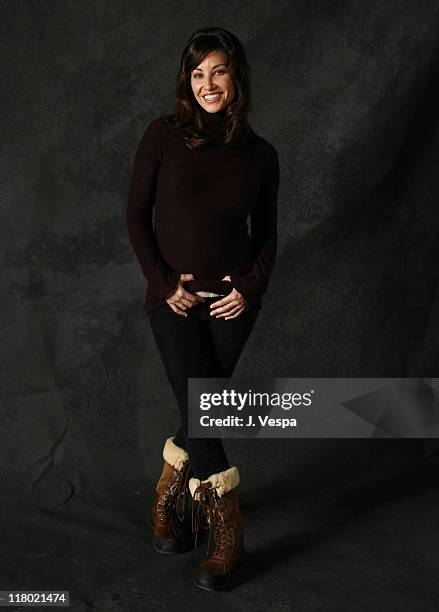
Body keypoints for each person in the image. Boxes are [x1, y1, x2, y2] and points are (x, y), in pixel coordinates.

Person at [126, 26, 280, 591]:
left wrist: (250, 287)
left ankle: (168, 498)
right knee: (209, 413)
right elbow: (136, 218)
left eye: (218, 72)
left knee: (202, 408)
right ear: (185, 82)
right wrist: (164, 283)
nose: (207, 85)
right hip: (175, 299)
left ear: (236, 78)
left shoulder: (261, 155)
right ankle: (228, 531)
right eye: (197, 74)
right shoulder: (163, 136)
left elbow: (266, 236)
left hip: (232, 304)